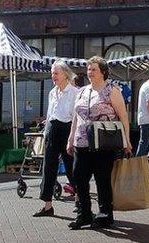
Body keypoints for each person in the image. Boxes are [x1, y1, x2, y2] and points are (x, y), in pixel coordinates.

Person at [66, 56, 131, 229]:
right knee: (79, 178)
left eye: (93, 69)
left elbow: (123, 116)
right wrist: (71, 138)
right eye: (88, 69)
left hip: (103, 143)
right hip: (82, 142)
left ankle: (105, 214)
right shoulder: (82, 91)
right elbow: (75, 116)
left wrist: (127, 141)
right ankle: (84, 214)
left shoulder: (112, 90)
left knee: (102, 180)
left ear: (103, 71)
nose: (90, 72)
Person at [33, 61, 79, 217]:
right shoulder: (52, 92)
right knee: (48, 168)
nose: (53, 76)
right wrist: (46, 133)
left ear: (65, 74)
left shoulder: (74, 92)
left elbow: (76, 116)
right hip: (52, 130)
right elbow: (50, 113)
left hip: (67, 130)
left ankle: (80, 201)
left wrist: (73, 137)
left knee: (72, 167)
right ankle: (47, 206)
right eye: (52, 73)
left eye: (56, 73)